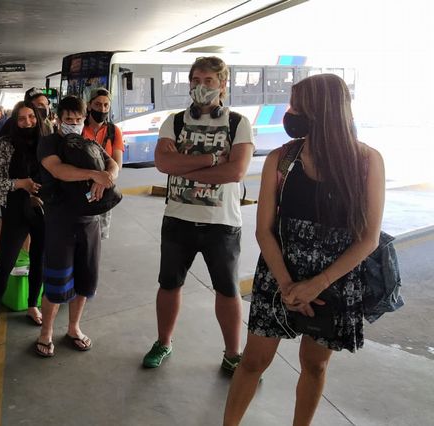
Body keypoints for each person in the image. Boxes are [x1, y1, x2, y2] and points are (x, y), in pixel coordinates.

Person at [223, 74, 385, 426]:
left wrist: (316, 285)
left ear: (323, 111)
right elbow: (264, 231)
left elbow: (368, 238)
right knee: (253, 361)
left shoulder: (367, 162)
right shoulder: (282, 159)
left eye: (298, 107)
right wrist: (287, 285)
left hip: (333, 280)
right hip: (279, 274)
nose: (290, 113)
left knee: (315, 364)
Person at [142, 56, 254, 371]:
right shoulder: (174, 122)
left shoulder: (237, 123)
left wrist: (184, 166)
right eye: (196, 80)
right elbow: (164, 164)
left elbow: (236, 172)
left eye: (208, 80)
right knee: (169, 285)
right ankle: (163, 342)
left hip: (222, 224)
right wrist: (212, 160)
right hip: (178, 220)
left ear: (222, 85)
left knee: (227, 290)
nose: (201, 86)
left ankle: (232, 353)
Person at [34, 95, 119, 357]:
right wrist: (94, 174)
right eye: (68, 119)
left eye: (78, 119)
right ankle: (46, 332)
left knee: (85, 279)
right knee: (56, 281)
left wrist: (107, 176)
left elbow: (112, 163)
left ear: (85, 119)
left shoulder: (88, 143)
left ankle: (73, 328)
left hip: (89, 222)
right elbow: (58, 170)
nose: (73, 123)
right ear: (58, 119)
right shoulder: (49, 143)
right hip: (60, 222)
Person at [0, 101, 45, 334]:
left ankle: (33, 305)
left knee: (39, 260)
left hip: (43, 208)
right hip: (15, 208)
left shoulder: (46, 140)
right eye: (21, 118)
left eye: (31, 117)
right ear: (14, 121)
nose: (27, 122)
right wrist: (21, 184)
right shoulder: (4, 144)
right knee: (5, 261)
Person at [82, 88, 124, 240]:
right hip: (81, 188)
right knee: (80, 233)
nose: (102, 109)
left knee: (99, 236)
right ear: (89, 105)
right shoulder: (80, 128)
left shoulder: (114, 131)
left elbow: (117, 164)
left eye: (106, 105)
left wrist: (102, 181)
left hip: (103, 190)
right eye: (98, 104)